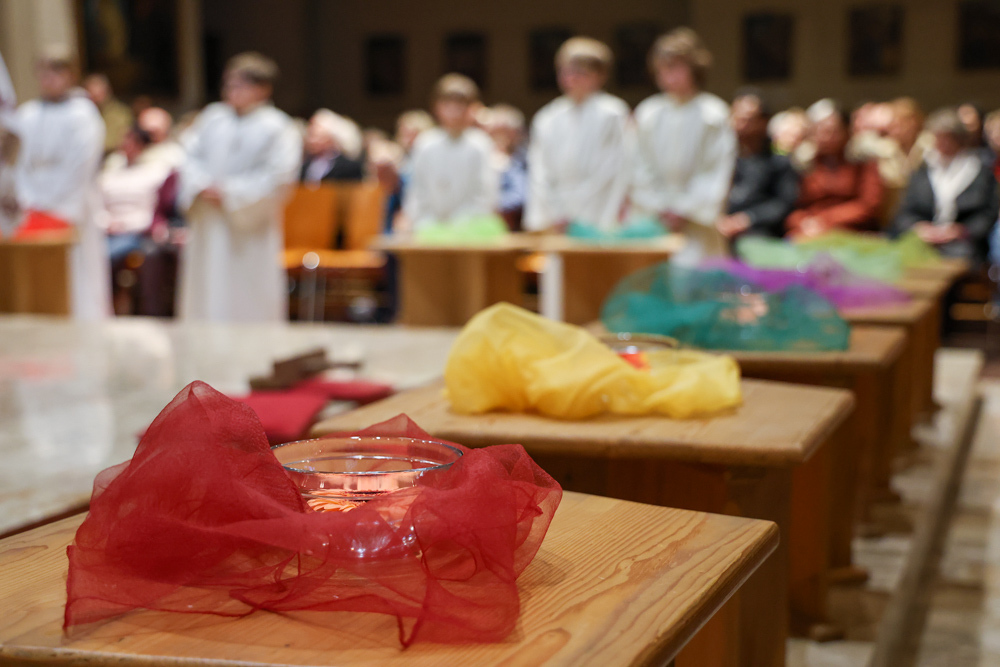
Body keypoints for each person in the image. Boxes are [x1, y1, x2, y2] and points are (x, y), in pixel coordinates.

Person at [177, 52, 302, 322]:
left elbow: (280, 176)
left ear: (263, 89)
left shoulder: (278, 126)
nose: (231, 91)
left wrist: (229, 193)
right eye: (228, 84)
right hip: (209, 218)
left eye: (240, 84)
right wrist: (200, 185)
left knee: (248, 295)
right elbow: (188, 156)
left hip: (248, 224)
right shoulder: (212, 117)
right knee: (207, 291)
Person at [3, 47, 110, 319]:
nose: (48, 79)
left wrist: (52, 207)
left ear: (71, 75)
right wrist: (28, 201)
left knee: (77, 281)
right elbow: (19, 165)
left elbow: (80, 166)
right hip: (30, 207)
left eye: (55, 72)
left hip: (72, 207)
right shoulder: (28, 114)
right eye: (43, 72)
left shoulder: (83, 114)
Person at [630, 27, 736, 259]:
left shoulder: (712, 114)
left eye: (676, 67)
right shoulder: (648, 113)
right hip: (655, 219)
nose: (669, 75)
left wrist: (684, 210)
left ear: (694, 68)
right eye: (663, 68)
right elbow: (639, 165)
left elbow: (715, 169)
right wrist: (659, 206)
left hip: (696, 222)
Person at [525, 37, 629, 232]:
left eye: (581, 72)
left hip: (597, 212)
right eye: (566, 71)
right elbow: (540, 170)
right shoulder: (547, 117)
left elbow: (612, 169)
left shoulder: (612, 114)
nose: (572, 78)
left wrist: (581, 213)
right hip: (556, 215)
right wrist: (556, 212)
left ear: (600, 76)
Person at [891, 108, 999, 266]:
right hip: (925, 239)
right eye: (938, 137)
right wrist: (919, 228)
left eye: (947, 138)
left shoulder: (979, 170)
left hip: (965, 243)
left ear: (959, 139)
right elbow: (905, 211)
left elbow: (988, 213)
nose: (941, 143)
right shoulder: (923, 170)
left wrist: (961, 231)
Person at [400, 73, 497, 229]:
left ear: (472, 108)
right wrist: (417, 221)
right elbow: (417, 191)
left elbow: (485, 193)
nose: (453, 109)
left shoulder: (480, 144)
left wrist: (463, 224)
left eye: (460, 103)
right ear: (436, 107)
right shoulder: (425, 143)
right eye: (447, 103)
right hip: (429, 226)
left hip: (470, 228)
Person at [785, 100, 884, 239]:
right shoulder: (805, 162)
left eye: (831, 131)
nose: (824, 137)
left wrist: (825, 221)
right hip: (810, 231)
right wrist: (801, 222)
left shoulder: (863, 162)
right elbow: (793, 205)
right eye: (818, 131)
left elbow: (869, 206)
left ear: (847, 131)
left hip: (853, 232)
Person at [717, 90, 799, 242]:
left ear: (764, 122)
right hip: (718, 226)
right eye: (736, 118)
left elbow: (783, 204)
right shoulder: (721, 158)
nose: (740, 125)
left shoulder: (779, 161)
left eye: (748, 120)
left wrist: (748, 219)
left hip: (759, 232)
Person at [485, 104, 529, 231]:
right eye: (493, 131)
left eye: (504, 131)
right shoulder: (480, 156)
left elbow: (520, 195)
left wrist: (493, 205)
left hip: (515, 226)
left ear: (516, 133)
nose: (498, 136)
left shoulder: (525, 159)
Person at [301, 109, 364, 184]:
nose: (311, 141)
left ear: (330, 139)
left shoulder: (348, 167)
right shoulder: (304, 166)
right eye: (310, 135)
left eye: (317, 137)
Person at [83, 73, 133, 156]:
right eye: (91, 95)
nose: (94, 99)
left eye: (97, 95)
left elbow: (112, 142)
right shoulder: (85, 112)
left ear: (107, 92)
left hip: (112, 157)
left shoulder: (119, 114)